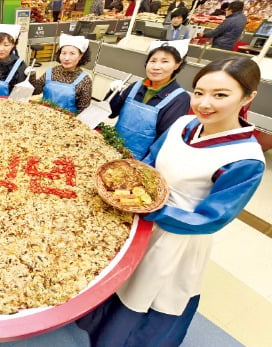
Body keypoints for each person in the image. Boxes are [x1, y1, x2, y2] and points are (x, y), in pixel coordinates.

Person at [77, 56, 265, 347]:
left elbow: (211, 219)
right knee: (118, 278)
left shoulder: (245, 159)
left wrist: (153, 209)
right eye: (200, 92)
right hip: (139, 217)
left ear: (248, 97)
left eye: (221, 95)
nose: (204, 104)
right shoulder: (183, 124)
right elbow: (152, 161)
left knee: (146, 290)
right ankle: (97, 327)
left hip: (177, 236)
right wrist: (127, 186)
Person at [108, 40, 191, 160]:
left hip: (140, 161)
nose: (156, 67)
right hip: (111, 148)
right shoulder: (135, 86)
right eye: (153, 61)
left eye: (165, 61)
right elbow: (112, 112)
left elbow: (163, 141)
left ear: (177, 65)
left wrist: (145, 165)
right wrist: (114, 92)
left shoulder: (179, 99)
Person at [29, 34, 92, 114]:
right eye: (63, 53)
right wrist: (31, 75)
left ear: (81, 56)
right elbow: (35, 91)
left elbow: (83, 110)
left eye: (72, 53)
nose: (66, 58)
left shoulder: (84, 80)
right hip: (43, 117)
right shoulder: (51, 72)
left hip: (67, 122)